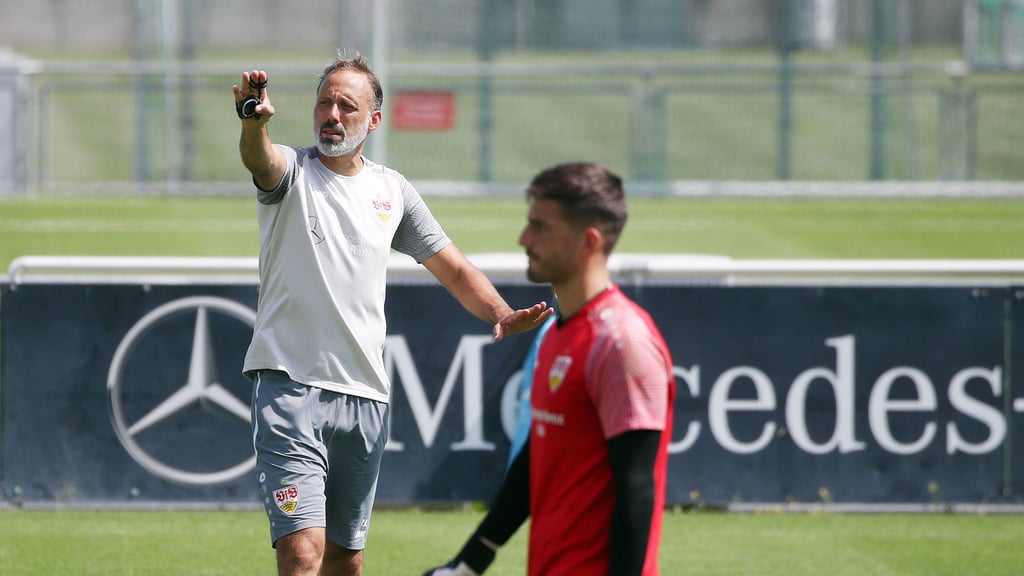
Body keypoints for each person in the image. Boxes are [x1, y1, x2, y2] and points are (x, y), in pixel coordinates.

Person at [233, 53, 553, 576]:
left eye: (347, 106)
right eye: (324, 103)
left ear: (373, 120)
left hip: (366, 396)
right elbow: (259, 159)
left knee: (346, 557)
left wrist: (500, 311)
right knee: (301, 550)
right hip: (291, 387)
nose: (332, 115)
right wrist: (252, 121)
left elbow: (451, 267)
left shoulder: (392, 190)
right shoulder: (291, 172)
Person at [424, 162, 676, 576]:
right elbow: (537, 461)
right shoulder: (559, 333)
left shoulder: (622, 343)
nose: (524, 238)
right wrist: (470, 562)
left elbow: (637, 489)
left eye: (541, 227)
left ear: (588, 242)